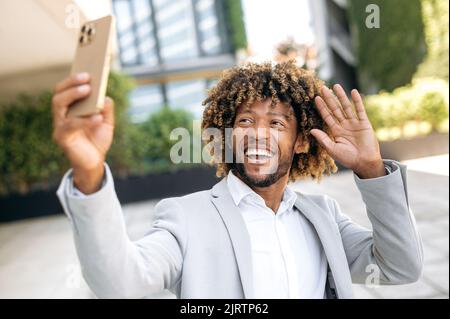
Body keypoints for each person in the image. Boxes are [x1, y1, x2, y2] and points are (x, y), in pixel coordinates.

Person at [52, 61, 423, 299]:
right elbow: (120, 285)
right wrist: (89, 174)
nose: (258, 134)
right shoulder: (185, 218)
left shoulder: (323, 218)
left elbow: (400, 266)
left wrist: (372, 169)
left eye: (276, 123)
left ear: (301, 142)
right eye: (245, 121)